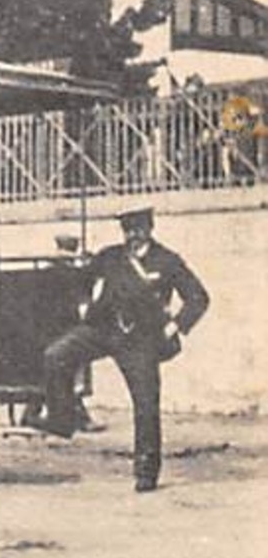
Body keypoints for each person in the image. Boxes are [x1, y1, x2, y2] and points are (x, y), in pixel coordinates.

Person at [30, 206, 209, 492]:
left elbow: (198, 298)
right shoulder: (111, 256)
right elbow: (82, 281)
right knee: (56, 355)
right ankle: (62, 418)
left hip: (141, 340)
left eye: (138, 229)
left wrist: (175, 326)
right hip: (104, 329)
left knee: (146, 403)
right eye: (128, 230)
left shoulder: (167, 261)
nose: (133, 236)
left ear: (150, 229)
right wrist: (83, 303)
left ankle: (146, 472)